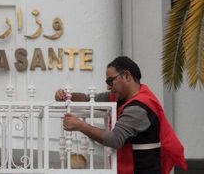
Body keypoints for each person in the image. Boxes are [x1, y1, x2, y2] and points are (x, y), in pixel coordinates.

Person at [55, 56, 187, 174]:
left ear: (126, 76)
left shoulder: (139, 107)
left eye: (110, 81)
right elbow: (89, 99)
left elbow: (115, 139)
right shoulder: (121, 98)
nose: (108, 87)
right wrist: (68, 96)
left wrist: (81, 126)